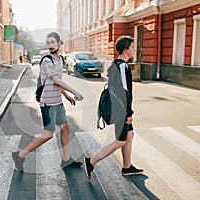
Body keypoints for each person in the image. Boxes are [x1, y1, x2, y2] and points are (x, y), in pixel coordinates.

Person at [12, 32, 84, 172]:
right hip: (48, 103)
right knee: (48, 134)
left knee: (65, 128)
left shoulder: (60, 59)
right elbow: (56, 80)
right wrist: (74, 92)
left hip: (57, 101)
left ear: (59, 42)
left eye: (52, 42)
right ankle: (20, 155)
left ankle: (66, 159)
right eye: (48, 43)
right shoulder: (47, 60)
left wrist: (66, 96)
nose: (50, 45)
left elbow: (57, 83)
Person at [84, 36, 144, 179]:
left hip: (119, 108)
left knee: (129, 135)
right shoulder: (122, 66)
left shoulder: (116, 65)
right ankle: (91, 161)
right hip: (121, 110)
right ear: (125, 49)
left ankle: (127, 167)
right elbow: (124, 92)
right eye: (132, 48)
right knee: (120, 141)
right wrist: (128, 113)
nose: (134, 50)